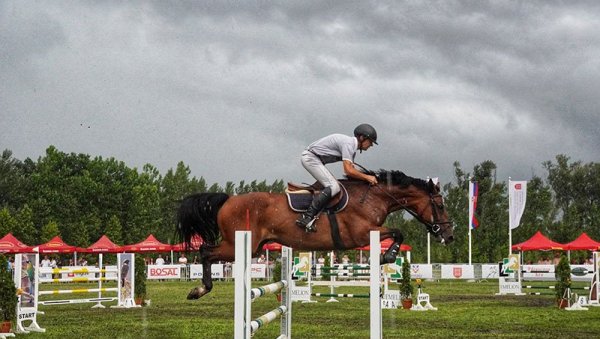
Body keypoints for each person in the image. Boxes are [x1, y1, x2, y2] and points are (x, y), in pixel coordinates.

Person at [296, 123, 379, 232]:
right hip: (311, 158)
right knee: (334, 187)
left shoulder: (351, 148)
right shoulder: (349, 144)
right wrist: (367, 177)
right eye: (371, 141)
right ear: (362, 138)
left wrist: (368, 178)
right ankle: (307, 217)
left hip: (315, 160)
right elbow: (348, 171)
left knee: (335, 186)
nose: (371, 145)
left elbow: (353, 172)